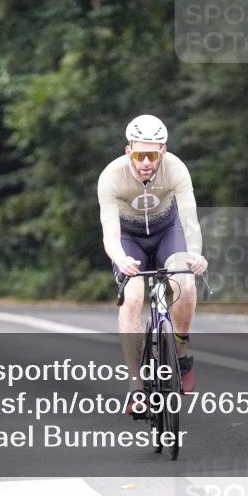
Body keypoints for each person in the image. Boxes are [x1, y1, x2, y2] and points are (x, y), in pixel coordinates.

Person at [97, 115, 207, 416]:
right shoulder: (111, 177)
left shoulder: (176, 169)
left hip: (167, 233)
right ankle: (136, 386)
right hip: (129, 241)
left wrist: (195, 254)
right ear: (127, 151)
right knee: (131, 300)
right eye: (139, 154)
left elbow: (189, 219)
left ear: (164, 151)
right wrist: (121, 260)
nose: (146, 161)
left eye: (153, 154)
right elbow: (110, 232)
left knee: (184, 283)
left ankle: (181, 357)